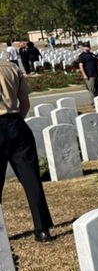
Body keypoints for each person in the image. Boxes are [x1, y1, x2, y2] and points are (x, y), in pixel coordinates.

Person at [0, 54, 53, 242]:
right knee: (31, 180)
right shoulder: (11, 67)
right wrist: (16, 122)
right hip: (17, 124)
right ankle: (42, 229)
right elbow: (25, 102)